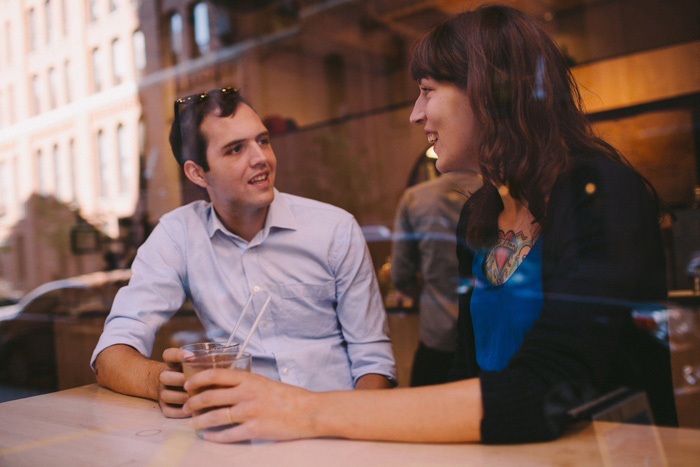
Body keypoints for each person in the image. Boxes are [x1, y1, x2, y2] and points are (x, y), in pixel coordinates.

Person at [180, 5, 678, 443]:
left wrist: (307, 409)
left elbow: (547, 391)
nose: (416, 114)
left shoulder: (599, 193)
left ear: (488, 92)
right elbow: (468, 371)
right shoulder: (479, 213)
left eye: (427, 91)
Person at [91, 88, 396, 418]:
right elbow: (111, 356)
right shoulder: (178, 235)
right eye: (235, 149)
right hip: (241, 427)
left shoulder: (334, 229)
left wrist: (353, 425)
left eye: (262, 141)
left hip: (335, 424)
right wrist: (161, 383)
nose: (261, 158)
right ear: (197, 173)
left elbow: (373, 357)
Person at [390, 166, 481, 386]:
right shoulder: (498, 193)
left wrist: (415, 286)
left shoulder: (415, 198)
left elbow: (401, 273)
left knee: (422, 413)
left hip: (438, 332)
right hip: (486, 330)